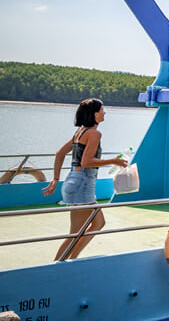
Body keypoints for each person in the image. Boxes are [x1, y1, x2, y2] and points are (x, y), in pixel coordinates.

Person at [42, 98, 128, 260]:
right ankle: (58, 264)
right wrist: (114, 161)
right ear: (95, 114)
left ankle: (70, 260)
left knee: (95, 224)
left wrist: (55, 179)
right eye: (102, 110)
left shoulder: (80, 132)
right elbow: (86, 161)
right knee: (79, 231)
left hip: (75, 181)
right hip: (82, 183)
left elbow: (59, 153)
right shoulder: (94, 133)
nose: (105, 113)